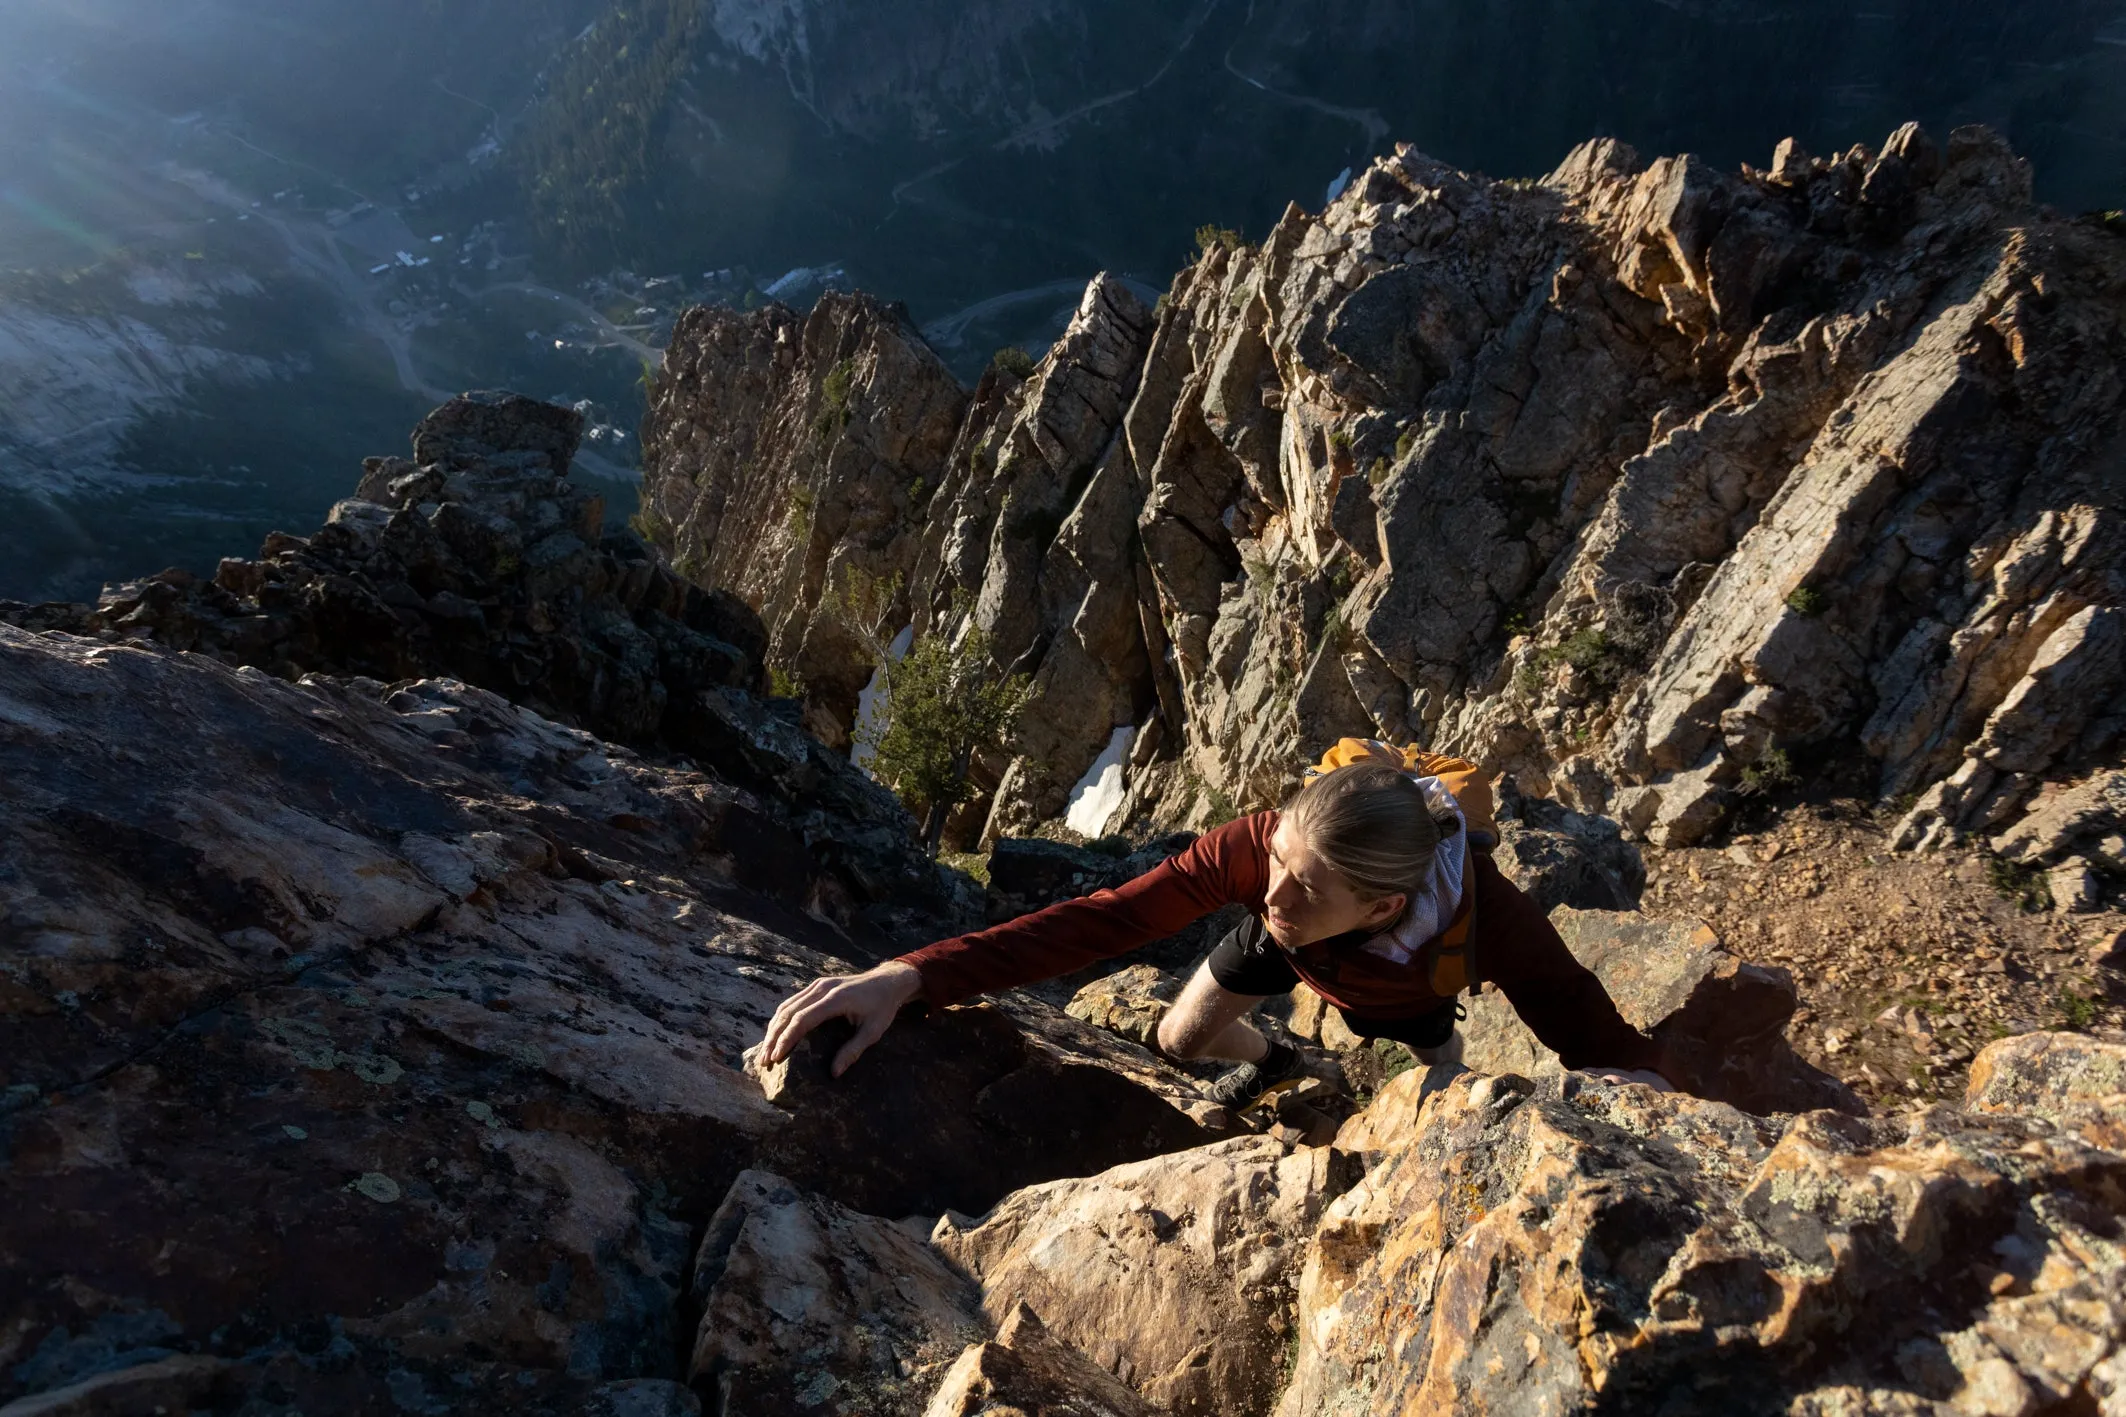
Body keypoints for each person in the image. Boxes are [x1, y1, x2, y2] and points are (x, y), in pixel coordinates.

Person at [759, 740, 1674, 1103]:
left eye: (1307, 887)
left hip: (1406, 994)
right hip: (1307, 965)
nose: (1275, 892)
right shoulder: (1263, 857)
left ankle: (1424, 1078)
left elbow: (1583, 1019)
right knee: (1177, 1037)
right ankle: (1282, 1061)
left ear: (1386, 905)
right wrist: (913, 974)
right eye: (1277, 864)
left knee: (1438, 1077)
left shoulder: (1485, 922)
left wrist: (1667, 1098)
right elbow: (1100, 922)